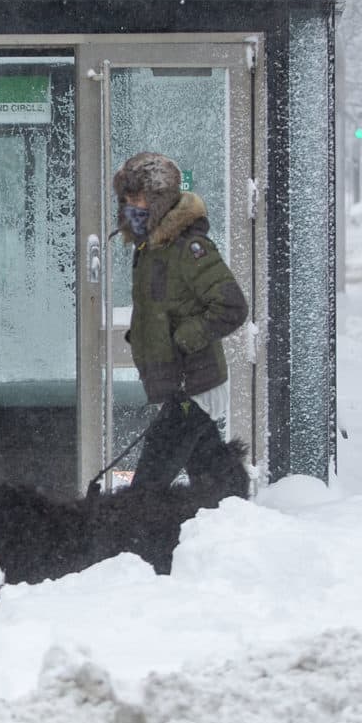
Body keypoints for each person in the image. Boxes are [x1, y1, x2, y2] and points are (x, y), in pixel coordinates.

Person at [112, 152, 249, 489]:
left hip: (194, 386)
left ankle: (136, 538)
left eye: (139, 197)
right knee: (213, 475)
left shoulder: (189, 249)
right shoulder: (150, 250)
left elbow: (232, 306)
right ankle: (234, 523)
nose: (132, 205)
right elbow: (165, 309)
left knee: (148, 484)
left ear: (160, 200)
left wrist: (182, 339)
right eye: (127, 198)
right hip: (181, 385)